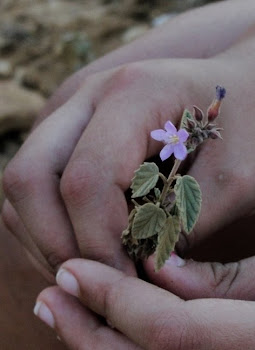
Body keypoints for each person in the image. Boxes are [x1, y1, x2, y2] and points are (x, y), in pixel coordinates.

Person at [2, 0, 255, 348]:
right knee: (73, 138)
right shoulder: (177, 143)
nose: (174, 138)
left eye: (177, 137)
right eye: (175, 135)